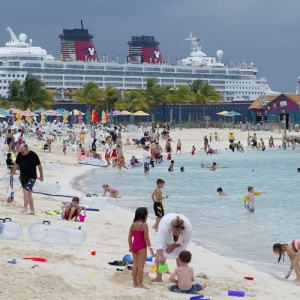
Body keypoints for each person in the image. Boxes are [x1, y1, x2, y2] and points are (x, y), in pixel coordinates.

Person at [151, 213, 192, 282]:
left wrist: (174, 246)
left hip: (180, 242)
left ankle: (181, 278)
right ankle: (158, 278)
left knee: (180, 257)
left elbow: (186, 241)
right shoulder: (165, 226)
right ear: (172, 228)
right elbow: (159, 241)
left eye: (179, 232)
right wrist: (161, 256)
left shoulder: (188, 229)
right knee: (160, 257)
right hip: (166, 239)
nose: (177, 234)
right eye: (175, 232)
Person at [10, 144, 43, 215]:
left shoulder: (33, 155)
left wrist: (41, 176)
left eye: (22, 152)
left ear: (26, 149)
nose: (21, 153)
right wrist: (13, 172)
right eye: (20, 152)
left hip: (32, 176)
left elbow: (39, 166)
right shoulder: (19, 154)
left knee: (25, 190)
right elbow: (17, 164)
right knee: (29, 193)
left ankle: (25, 207)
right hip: (23, 177)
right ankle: (32, 211)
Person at [128, 207, 154, 289]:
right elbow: (146, 238)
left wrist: (130, 246)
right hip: (141, 247)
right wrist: (151, 249)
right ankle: (140, 284)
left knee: (135, 265)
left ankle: (135, 283)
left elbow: (129, 237)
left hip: (134, 246)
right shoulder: (144, 225)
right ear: (145, 216)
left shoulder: (133, 225)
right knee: (140, 267)